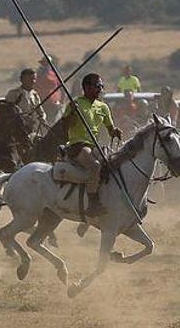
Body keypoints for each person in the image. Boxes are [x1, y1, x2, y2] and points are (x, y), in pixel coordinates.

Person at [63, 73, 122, 217]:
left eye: (102, 86)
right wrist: (72, 113)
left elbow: (110, 129)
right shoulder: (75, 104)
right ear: (87, 88)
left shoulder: (103, 107)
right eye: (97, 86)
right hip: (77, 145)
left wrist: (115, 132)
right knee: (95, 166)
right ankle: (92, 204)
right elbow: (65, 126)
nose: (101, 89)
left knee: (113, 165)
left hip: (95, 145)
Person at [5, 68, 47, 138]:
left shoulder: (35, 95)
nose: (32, 81)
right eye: (29, 79)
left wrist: (43, 118)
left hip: (33, 130)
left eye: (34, 79)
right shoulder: (13, 94)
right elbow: (7, 113)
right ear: (22, 80)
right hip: (16, 131)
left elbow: (41, 112)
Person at [35, 57, 62, 122]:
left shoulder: (54, 74)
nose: (45, 65)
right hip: (42, 102)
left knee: (51, 121)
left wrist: (61, 100)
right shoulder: (37, 75)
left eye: (46, 64)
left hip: (53, 103)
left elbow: (60, 86)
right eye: (43, 64)